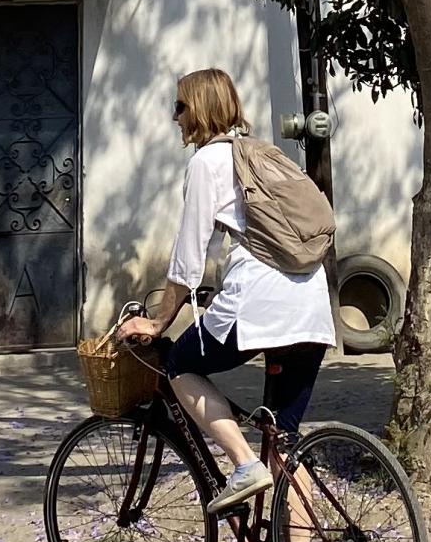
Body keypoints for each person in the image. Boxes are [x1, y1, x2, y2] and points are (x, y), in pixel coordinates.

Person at [119, 65, 334, 515]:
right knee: (284, 449)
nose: (175, 117)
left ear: (197, 110)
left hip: (260, 305)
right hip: (312, 310)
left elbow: (188, 260)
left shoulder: (206, 163)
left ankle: (241, 464)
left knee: (179, 364)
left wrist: (158, 320)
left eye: (179, 106)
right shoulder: (265, 154)